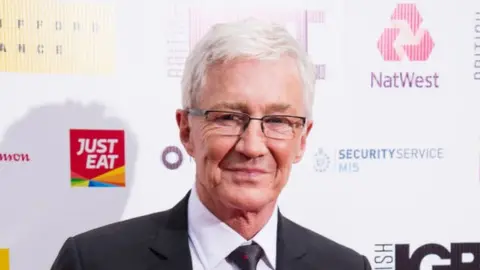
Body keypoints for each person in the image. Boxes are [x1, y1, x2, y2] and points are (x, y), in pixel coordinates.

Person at [51, 18, 372, 270]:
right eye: (228, 117)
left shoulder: (344, 266)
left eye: (277, 121)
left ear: (302, 140)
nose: (252, 146)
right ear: (186, 130)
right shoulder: (94, 262)